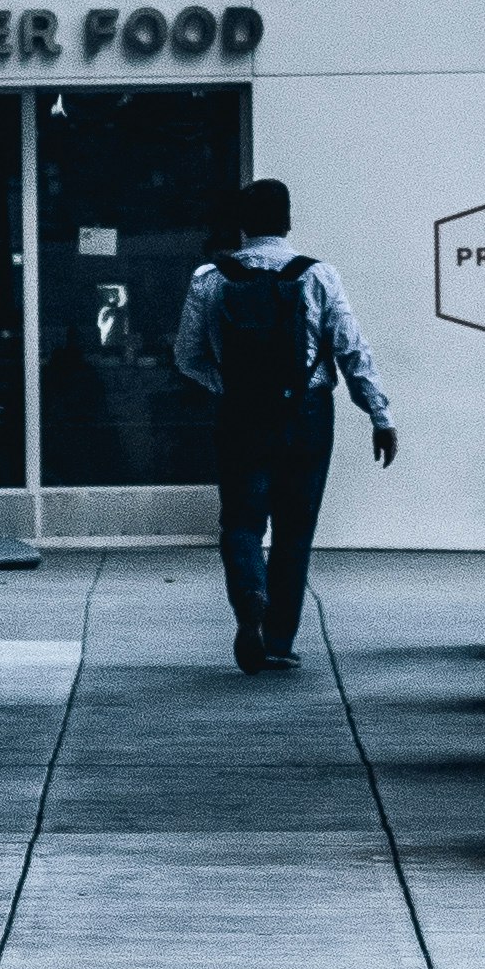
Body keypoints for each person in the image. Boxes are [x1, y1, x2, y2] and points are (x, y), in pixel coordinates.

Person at [175, 177, 395, 674]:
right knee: (295, 531)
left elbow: (186, 356)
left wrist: (228, 386)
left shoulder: (209, 277)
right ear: (288, 220)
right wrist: (379, 414)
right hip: (307, 414)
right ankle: (277, 639)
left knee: (241, 520)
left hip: (240, 416)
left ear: (242, 225)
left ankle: (250, 593)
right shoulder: (318, 276)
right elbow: (352, 349)